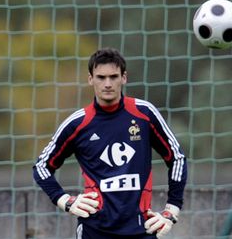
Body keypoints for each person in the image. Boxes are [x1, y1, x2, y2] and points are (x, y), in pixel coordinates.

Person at [33, 48, 187, 238]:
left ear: (124, 78)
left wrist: (171, 211)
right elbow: (41, 166)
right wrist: (63, 199)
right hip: (94, 231)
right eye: (101, 77)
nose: (107, 84)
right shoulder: (77, 123)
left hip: (142, 230)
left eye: (113, 77)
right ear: (90, 79)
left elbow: (177, 158)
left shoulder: (144, 114)